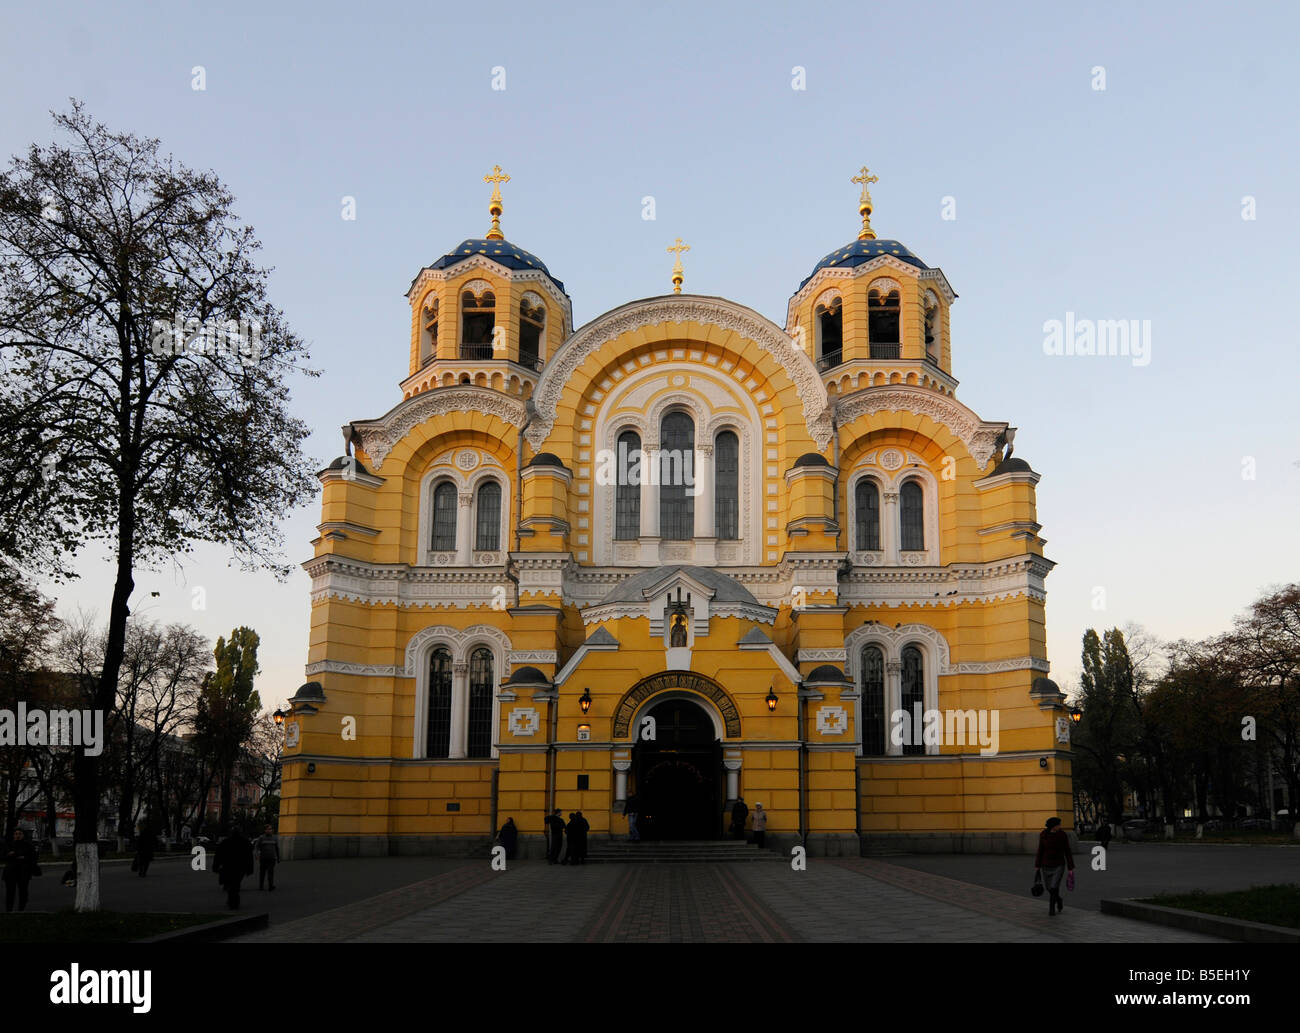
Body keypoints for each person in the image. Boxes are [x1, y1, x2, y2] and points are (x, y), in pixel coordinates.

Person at [1034, 816, 1075, 916]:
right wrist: (1037, 865)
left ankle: (1051, 909)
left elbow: (1067, 851)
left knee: (1054, 887)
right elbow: (1040, 850)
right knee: (1049, 888)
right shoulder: (1043, 835)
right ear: (1053, 826)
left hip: (1059, 865)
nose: (1060, 826)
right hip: (1046, 865)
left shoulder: (1062, 835)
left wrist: (1070, 867)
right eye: (1058, 825)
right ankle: (1059, 899)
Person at [214, 826, 254, 910]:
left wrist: (216, 866)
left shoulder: (225, 842)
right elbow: (249, 857)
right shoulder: (245, 842)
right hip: (240, 868)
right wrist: (250, 869)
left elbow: (218, 856)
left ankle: (232, 900)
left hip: (228, 867)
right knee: (236, 884)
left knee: (231, 884)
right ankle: (234, 901)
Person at [3, 828, 38, 912]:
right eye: (15, 834)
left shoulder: (28, 845)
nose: (17, 835)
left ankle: (21, 910)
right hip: (10, 872)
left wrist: (17, 855)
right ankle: (9, 910)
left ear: (23, 835)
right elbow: (4, 855)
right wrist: (17, 856)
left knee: (23, 892)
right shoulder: (9, 844)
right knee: (10, 892)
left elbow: (33, 857)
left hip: (23, 872)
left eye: (19, 834)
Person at [254, 824, 279, 890]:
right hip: (263, 858)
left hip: (272, 858)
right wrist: (256, 855)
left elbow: (277, 848)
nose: (270, 830)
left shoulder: (275, 838)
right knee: (262, 872)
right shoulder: (261, 837)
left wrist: (278, 857)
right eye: (268, 829)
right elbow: (256, 846)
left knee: (270, 872)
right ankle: (261, 885)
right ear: (265, 830)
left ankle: (270, 885)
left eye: (271, 829)